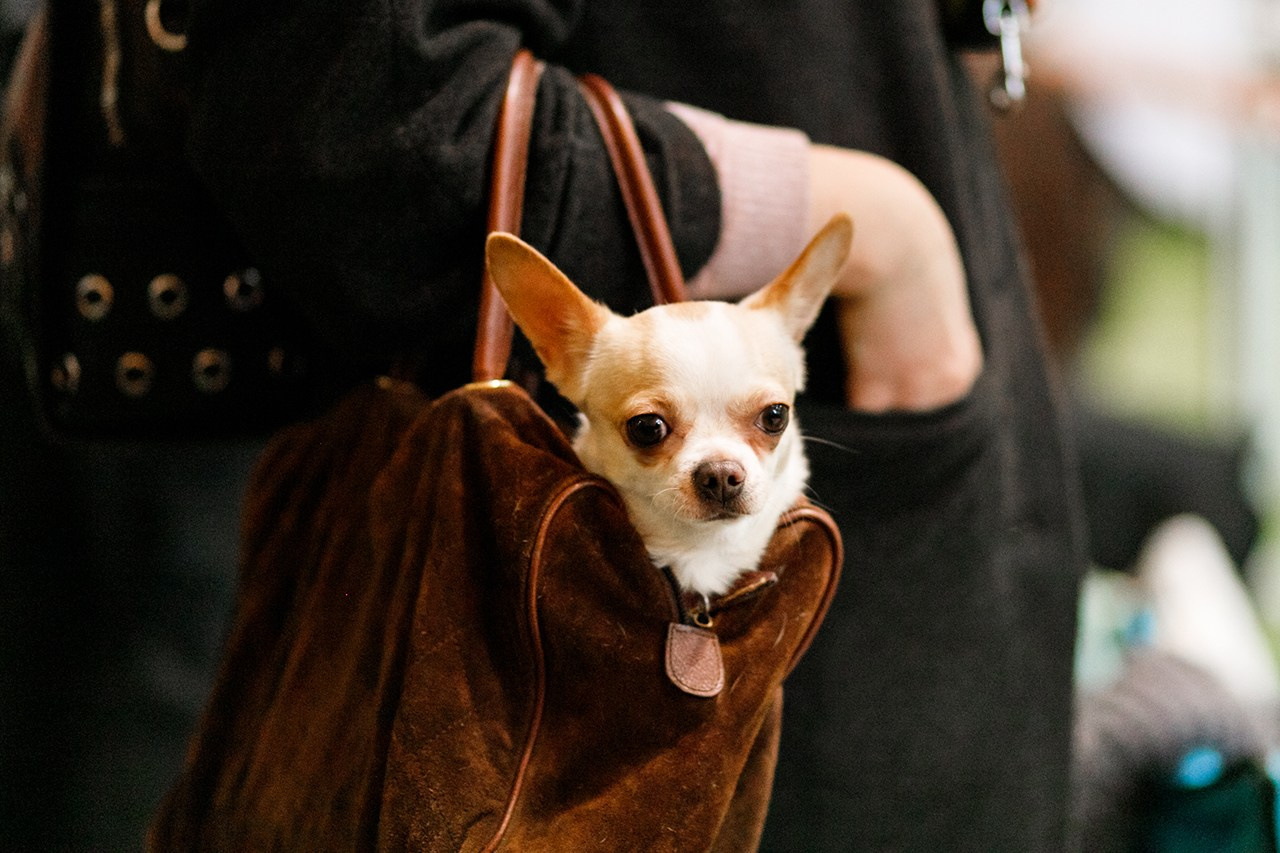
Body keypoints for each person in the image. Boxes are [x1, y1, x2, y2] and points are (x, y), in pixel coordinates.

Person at [6, 0, 1085, 848]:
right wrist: (879, 228)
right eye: (661, 429)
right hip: (594, 655)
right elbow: (359, 119)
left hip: (885, 561)